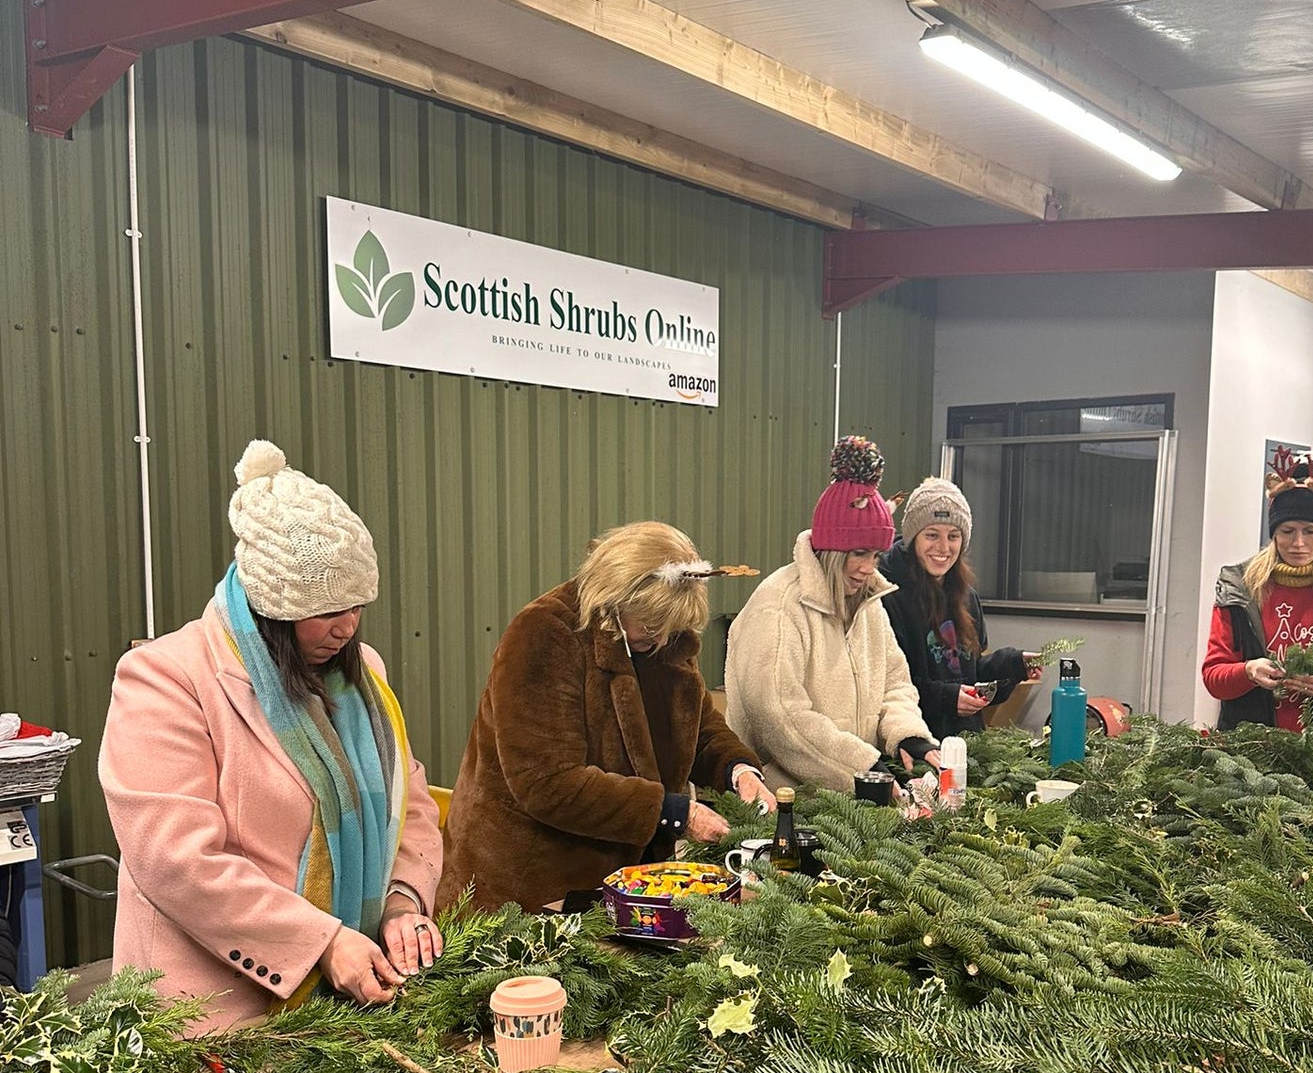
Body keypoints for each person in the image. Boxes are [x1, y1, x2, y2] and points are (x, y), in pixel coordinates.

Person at [99, 441, 443, 1031]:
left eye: (358, 605)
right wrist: (319, 943)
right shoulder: (167, 679)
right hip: (213, 1011)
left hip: (349, 997)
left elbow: (408, 801)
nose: (348, 627)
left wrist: (402, 901)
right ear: (272, 609)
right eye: (327, 610)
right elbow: (178, 861)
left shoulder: (364, 676)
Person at [437, 523, 775, 914]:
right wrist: (675, 813)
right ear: (614, 599)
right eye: (651, 627)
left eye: (670, 629)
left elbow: (695, 727)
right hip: (530, 888)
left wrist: (739, 771)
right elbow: (547, 782)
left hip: (624, 886)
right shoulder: (545, 633)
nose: (662, 642)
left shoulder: (660, 637)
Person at [725, 437, 939, 792]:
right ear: (832, 549)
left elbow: (895, 683)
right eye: (858, 554)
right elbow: (780, 717)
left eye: (876, 555)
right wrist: (861, 765)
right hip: (785, 802)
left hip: (851, 799)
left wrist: (907, 735)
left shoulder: (869, 603)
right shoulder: (778, 608)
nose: (868, 569)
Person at [1201, 444, 1313, 732]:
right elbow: (1214, 675)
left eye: (1310, 531)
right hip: (1250, 745)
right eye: (1287, 531)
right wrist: (1248, 671)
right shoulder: (1239, 586)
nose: (1298, 543)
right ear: (1274, 534)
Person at [878, 477, 1031, 738]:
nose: (943, 547)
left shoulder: (967, 598)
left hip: (966, 747)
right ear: (913, 538)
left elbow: (968, 672)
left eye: (953, 536)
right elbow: (885, 688)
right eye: (931, 535)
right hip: (912, 749)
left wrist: (1013, 665)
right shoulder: (888, 597)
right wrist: (947, 698)